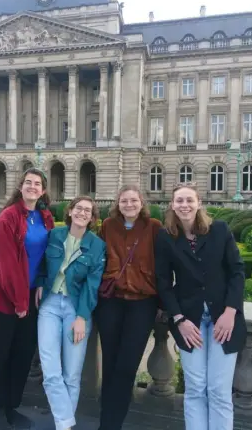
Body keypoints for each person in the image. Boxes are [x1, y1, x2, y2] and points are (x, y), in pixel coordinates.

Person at [155, 183, 246, 430]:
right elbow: (163, 283)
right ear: (172, 205)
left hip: (222, 319)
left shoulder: (219, 230)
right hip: (189, 320)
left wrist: (230, 312)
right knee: (195, 388)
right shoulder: (166, 236)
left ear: (199, 203)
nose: (184, 205)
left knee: (219, 389)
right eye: (179, 201)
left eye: (189, 200)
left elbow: (237, 272)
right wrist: (179, 319)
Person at [0, 167, 55, 430]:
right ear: (20, 187)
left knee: (22, 353)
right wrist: (19, 302)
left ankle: (11, 406)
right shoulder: (7, 218)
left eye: (37, 184)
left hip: (29, 295)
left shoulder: (44, 217)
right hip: (1, 296)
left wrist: (40, 283)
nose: (32, 187)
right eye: (28, 182)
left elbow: (48, 256)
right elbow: (5, 264)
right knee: (1, 352)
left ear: (43, 191)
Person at [95, 184, 163, 430]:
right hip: (111, 302)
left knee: (126, 367)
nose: (129, 205)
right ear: (117, 204)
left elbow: (165, 265)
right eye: (124, 201)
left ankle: (111, 424)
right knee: (111, 363)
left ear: (142, 203)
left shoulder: (154, 227)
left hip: (142, 304)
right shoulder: (108, 226)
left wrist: (165, 302)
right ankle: (107, 421)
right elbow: (96, 259)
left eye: (133, 200)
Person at [36, 196, 106, 430]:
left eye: (88, 210)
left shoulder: (97, 245)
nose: (82, 213)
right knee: (51, 371)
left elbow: (92, 285)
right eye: (79, 208)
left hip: (76, 308)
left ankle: (63, 426)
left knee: (72, 375)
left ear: (93, 217)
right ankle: (66, 423)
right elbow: (41, 265)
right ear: (70, 211)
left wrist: (81, 317)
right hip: (50, 305)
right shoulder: (55, 235)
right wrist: (38, 283)